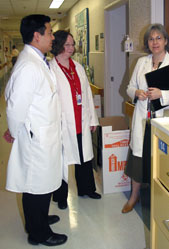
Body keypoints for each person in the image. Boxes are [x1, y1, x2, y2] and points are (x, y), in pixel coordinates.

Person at [4, 14, 67, 246]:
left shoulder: (39, 60)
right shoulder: (29, 66)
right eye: (50, 33)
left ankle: (39, 219)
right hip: (36, 138)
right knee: (35, 185)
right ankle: (38, 233)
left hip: (45, 134)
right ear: (37, 35)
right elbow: (15, 106)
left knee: (43, 182)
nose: (52, 37)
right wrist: (13, 130)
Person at [122, 23, 169, 214]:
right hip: (142, 119)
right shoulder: (141, 63)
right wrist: (137, 92)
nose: (155, 42)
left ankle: (160, 201)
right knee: (138, 158)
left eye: (158, 38)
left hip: (164, 121)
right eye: (151, 39)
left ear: (166, 41)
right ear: (147, 43)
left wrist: (163, 94)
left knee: (160, 160)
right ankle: (134, 196)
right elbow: (129, 87)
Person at [50, 30, 101, 210]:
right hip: (62, 124)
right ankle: (61, 196)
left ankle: (86, 189)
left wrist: (93, 119)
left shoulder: (77, 67)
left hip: (81, 120)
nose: (72, 48)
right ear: (57, 46)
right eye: (67, 45)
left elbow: (87, 94)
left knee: (84, 157)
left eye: (72, 44)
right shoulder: (51, 69)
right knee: (62, 161)